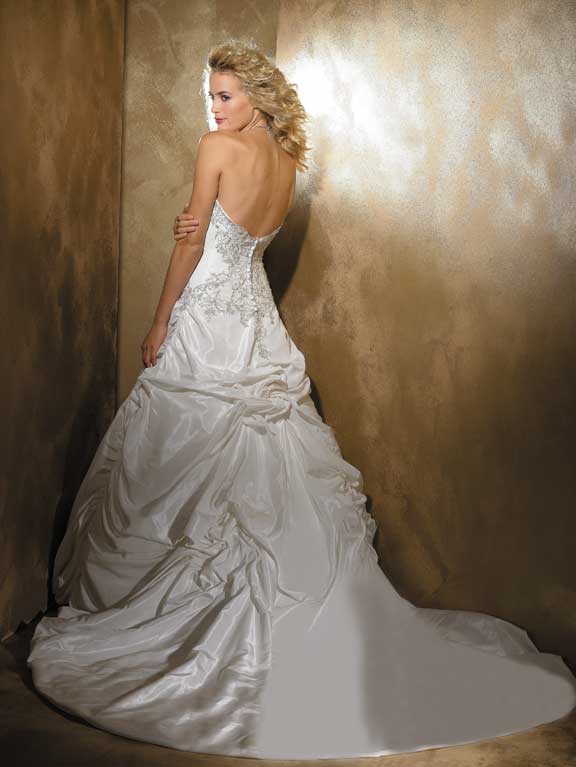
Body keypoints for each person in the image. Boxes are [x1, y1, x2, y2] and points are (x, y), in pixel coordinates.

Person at [27, 40, 576, 761]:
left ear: (255, 95)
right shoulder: (288, 163)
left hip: (209, 321)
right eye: (210, 96)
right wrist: (200, 228)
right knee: (255, 460)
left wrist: (161, 319)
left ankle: (179, 610)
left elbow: (193, 246)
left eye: (224, 95)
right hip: (255, 320)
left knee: (183, 457)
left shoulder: (216, 149)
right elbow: (241, 242)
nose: (213, 108)